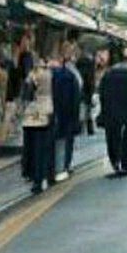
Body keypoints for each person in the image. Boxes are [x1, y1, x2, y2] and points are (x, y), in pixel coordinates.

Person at [98, 48, 127, 175]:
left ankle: (115, 162)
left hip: (111, 110)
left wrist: (102, 113)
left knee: (112, 137)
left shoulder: (108, 74)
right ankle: (125, 165)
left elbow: (102, 94)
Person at [20, 55, 53, 194]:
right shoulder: (49, 74)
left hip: (32, 114)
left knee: (32, 148)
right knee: (42, 147)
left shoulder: (32, 76)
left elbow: (26, 95)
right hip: (45, 112)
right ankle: (42, 176)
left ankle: (34, 177)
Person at [51, 52, 82, 180]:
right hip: (67, 115)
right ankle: (62, 168)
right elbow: (76, 98)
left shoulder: (49, 75)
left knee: (53, 142)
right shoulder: (72, 76)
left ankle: (52, 169)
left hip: (50, 113)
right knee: (65, 142)